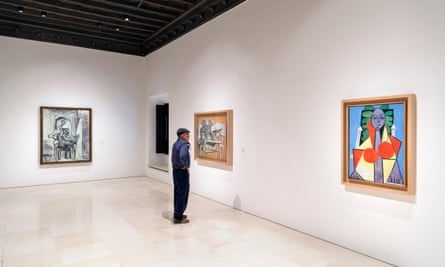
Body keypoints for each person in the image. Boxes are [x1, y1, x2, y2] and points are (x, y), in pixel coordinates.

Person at [171, 128, 191, 224]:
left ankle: (177, 213)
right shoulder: (183, 144)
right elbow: (183, 156)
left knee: (178, 192)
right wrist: (185, 166)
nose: (188, 137)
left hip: (175, 171)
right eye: (187, 135)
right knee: (182, 193)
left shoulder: (175, 144)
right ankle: (178, 217)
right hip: (181, 172)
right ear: (182, 135)